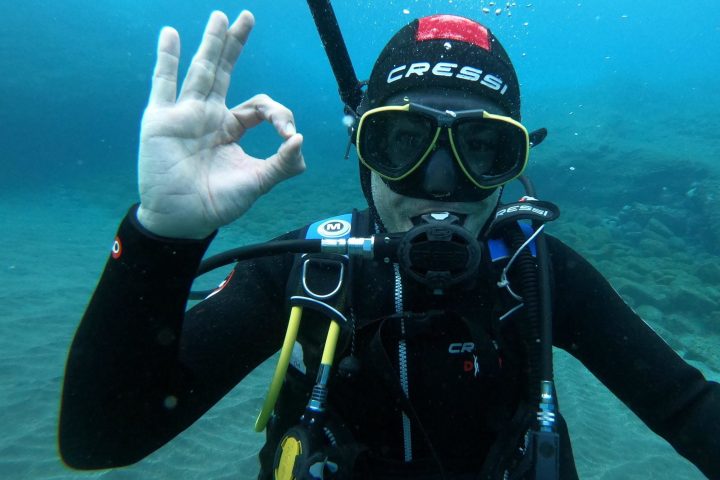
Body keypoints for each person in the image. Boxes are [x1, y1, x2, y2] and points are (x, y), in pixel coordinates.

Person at [58, 8, 719, 480]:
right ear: (363, 155)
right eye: (402, 145)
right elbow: (100, 436)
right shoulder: (305, 277)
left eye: (481, 150)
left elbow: (693, 410)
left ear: (514, 166)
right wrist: (162, 236)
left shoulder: (540, 276)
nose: (440, 188)